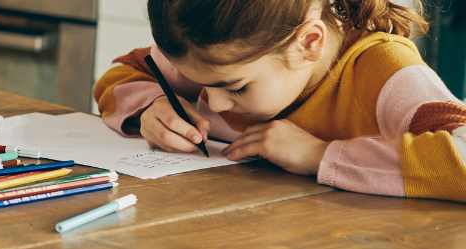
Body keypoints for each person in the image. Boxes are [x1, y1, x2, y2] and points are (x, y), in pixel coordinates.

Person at [94, 0, 466, 202]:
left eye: (237, 88)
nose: (216, 102)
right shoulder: (212, 57)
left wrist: (320, 155)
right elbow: (119, 76)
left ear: (309, 42)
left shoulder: (383, 70)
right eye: (197, 81)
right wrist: (150, 107)